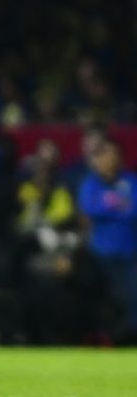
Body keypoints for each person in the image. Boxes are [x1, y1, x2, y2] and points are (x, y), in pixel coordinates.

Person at [77, 138, 137, 341]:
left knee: (130, 297)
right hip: (99, 253)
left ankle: (128, 339)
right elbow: (89, 208)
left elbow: (134, 211)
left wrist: (108, 205)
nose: (109, 159)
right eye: (105, 155)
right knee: (101, 300)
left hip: (128, 252)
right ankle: (101, 338)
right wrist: (119, 205)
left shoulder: (130, 181)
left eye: (113, 154)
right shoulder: (90, 183)